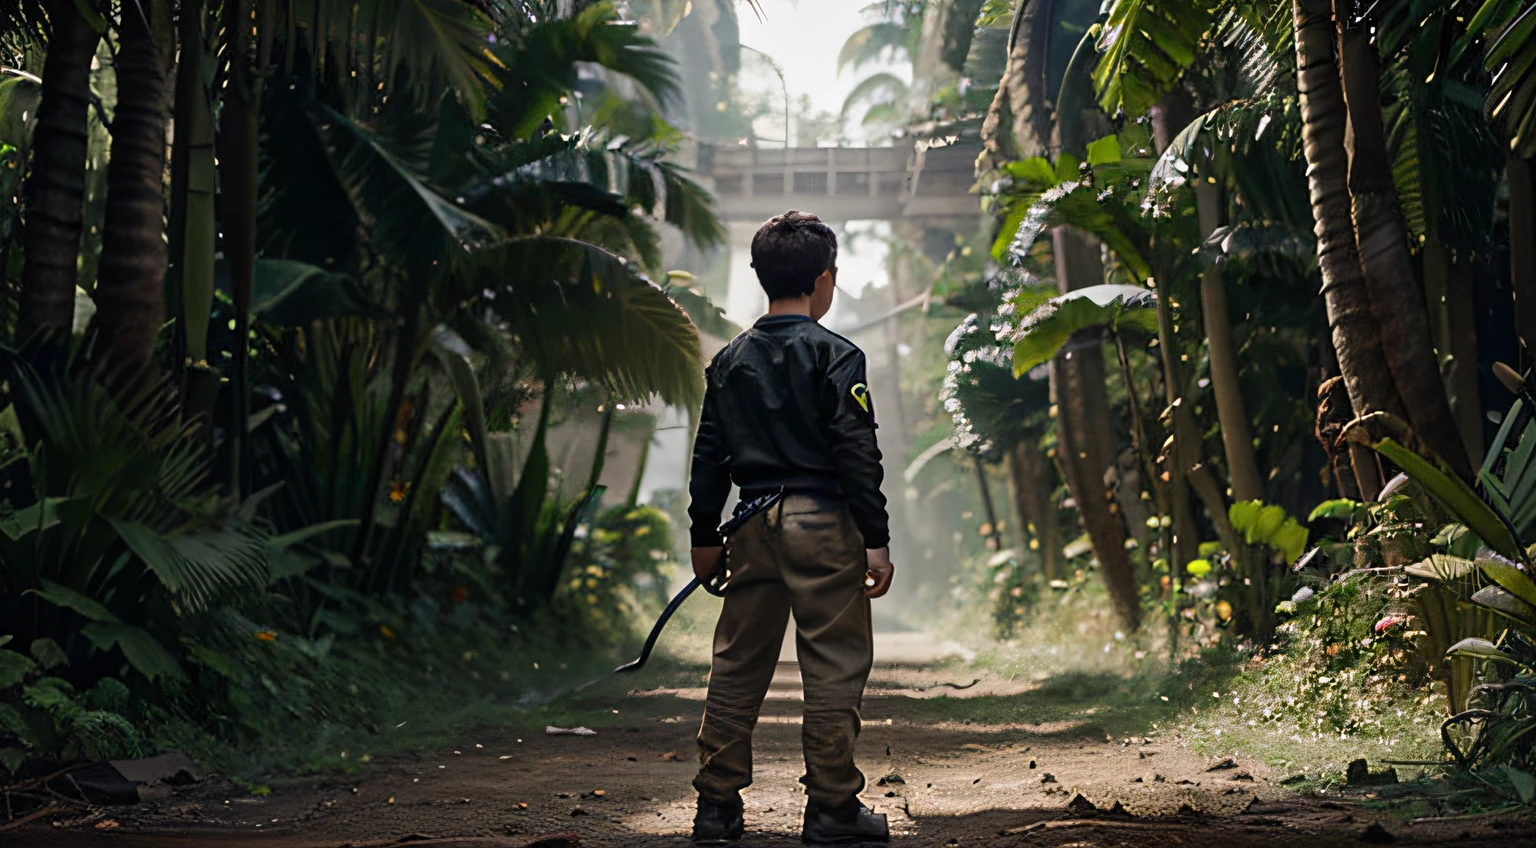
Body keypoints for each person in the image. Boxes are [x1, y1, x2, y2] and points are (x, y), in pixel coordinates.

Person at [687, 211, 895, 847]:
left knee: (737, 663)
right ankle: (832, 810)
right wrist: (876, 537)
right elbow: (856, 452)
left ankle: (716, 809)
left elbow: (709, 454)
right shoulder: (838, 357)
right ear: (823, 279)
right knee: (832, 663)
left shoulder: (728, 361)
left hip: (748, 522)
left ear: (759, 276)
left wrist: (704, 535)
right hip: (822, 522)